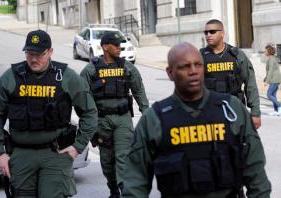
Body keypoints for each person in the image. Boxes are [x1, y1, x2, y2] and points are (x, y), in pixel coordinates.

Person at [122, 42, 271, 198]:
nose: (193, 71)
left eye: (198, 65)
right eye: (184, 66)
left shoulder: (232, 110)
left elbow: (256, 175)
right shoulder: (155, 119)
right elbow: (135, 183)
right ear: (170, 73)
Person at [0, 29, 98, 198]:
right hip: (21, 154)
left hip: (55, 154)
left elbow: (89, 112)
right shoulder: (10, 78)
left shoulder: (66, 77)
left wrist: (78, 146)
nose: (33, 58)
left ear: (50, 52)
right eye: (29, 53)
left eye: (39, 54)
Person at [80, 31, 149, 198]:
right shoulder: (90, 70)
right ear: (105, 47)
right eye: (116, 45)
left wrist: (147, 114)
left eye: (121, 45)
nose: (120, 48)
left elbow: (139, 91)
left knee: (123, 156)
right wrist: (89, 124)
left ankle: (126, 192)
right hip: (101, 121)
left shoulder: (127, 67)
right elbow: (81, 100)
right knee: (107, 162)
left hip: (123, 119)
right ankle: (113, 190)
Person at [200, 19, 262, 129]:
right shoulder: (200, 56)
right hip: (209, 111)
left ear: (222, 33)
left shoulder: (237, 55)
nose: (208, 35)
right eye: (206, 32)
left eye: (212, 31)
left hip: (235, 109)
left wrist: (255, 113)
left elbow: (250, 83)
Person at [264, 44, 281, 116]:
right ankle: (276, 110)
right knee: (273, 95)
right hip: (275, 79)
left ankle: (279, 105)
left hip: (274, 79)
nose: (264, 52)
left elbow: (270, 70)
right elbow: (270, 71)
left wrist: (267, 81)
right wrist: (265, 78)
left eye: (265, 51)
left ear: (269, 51)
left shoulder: (271, 60)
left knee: (269, 94)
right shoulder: (272, 59)